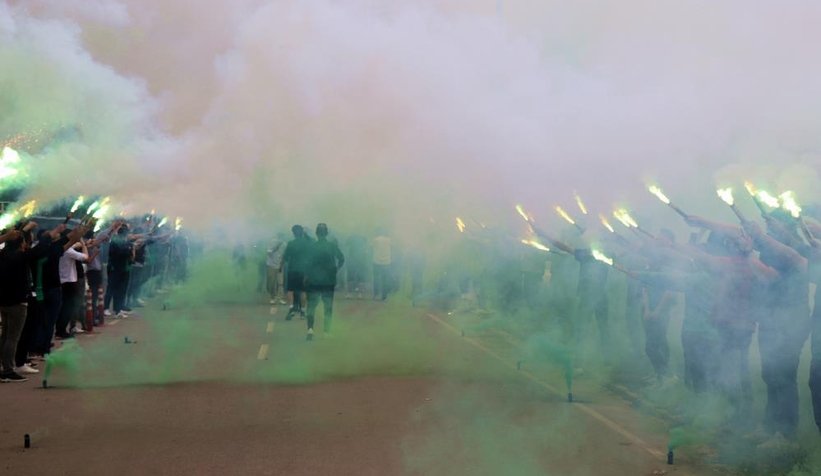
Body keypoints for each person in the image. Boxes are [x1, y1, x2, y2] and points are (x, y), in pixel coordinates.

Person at [304, 223, 345, 340]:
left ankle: (310, 330)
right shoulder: (332, 246)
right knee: (328, 306)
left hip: (313, 281)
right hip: (328, 281)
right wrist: (336, 269)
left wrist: (306, 276)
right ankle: (326, 332)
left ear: (316, 233)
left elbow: (306, 263)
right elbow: (341, 258)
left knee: (311, 306)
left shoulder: (312, 247)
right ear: (326, 233)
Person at [282, 225, 312, 320]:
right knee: (303, 291)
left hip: (292, 269)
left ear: (293, 233)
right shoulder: (307, 243)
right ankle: (303, 311)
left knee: (290, 290)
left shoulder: (291, 243)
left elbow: (286, 257)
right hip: (304, 270)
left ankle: (291, 308)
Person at [371, 229, 392, 301]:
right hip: (386, 262)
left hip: (376, 261)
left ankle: (376, 295)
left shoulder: (375, 240)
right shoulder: (389, 240)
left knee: (376, 279)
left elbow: (371, 247)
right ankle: (384, 296)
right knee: (385, 280)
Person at [266, 233, 286, 304]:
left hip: (279, 265)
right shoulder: (272, 242)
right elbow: (268, 252)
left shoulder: (284, 244)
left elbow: (284, 255)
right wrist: (275, 247)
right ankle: (273, 297)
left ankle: (280, 297)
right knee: (271, 282)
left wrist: (281, 264)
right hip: (271, 265)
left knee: (280, 283)